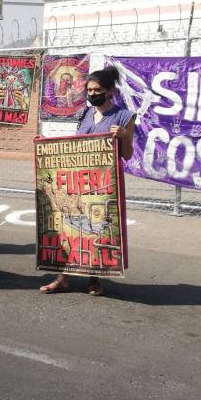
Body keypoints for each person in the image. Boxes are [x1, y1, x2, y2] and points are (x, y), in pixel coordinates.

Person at [39, 65, 135, 297]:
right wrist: (45, 144)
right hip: (79, 182)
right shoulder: (84, 113)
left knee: (97, 229)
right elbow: (74, 147)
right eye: (89, 90)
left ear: (110, 91)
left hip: (103, 184)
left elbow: (128, 154)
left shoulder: (124, 116)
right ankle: (63, 278)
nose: (92, 94)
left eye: (98, 90)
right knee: (70, 227)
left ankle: (94, 279)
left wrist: (123, 136)